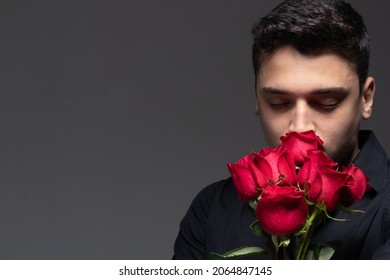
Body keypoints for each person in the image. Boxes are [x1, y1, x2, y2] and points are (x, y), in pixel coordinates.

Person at [172, 0, 390, 259]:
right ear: (256, 99)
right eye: (279, 103)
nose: (299, 127)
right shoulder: (212, 210)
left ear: (366, 99)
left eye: (327, 103)